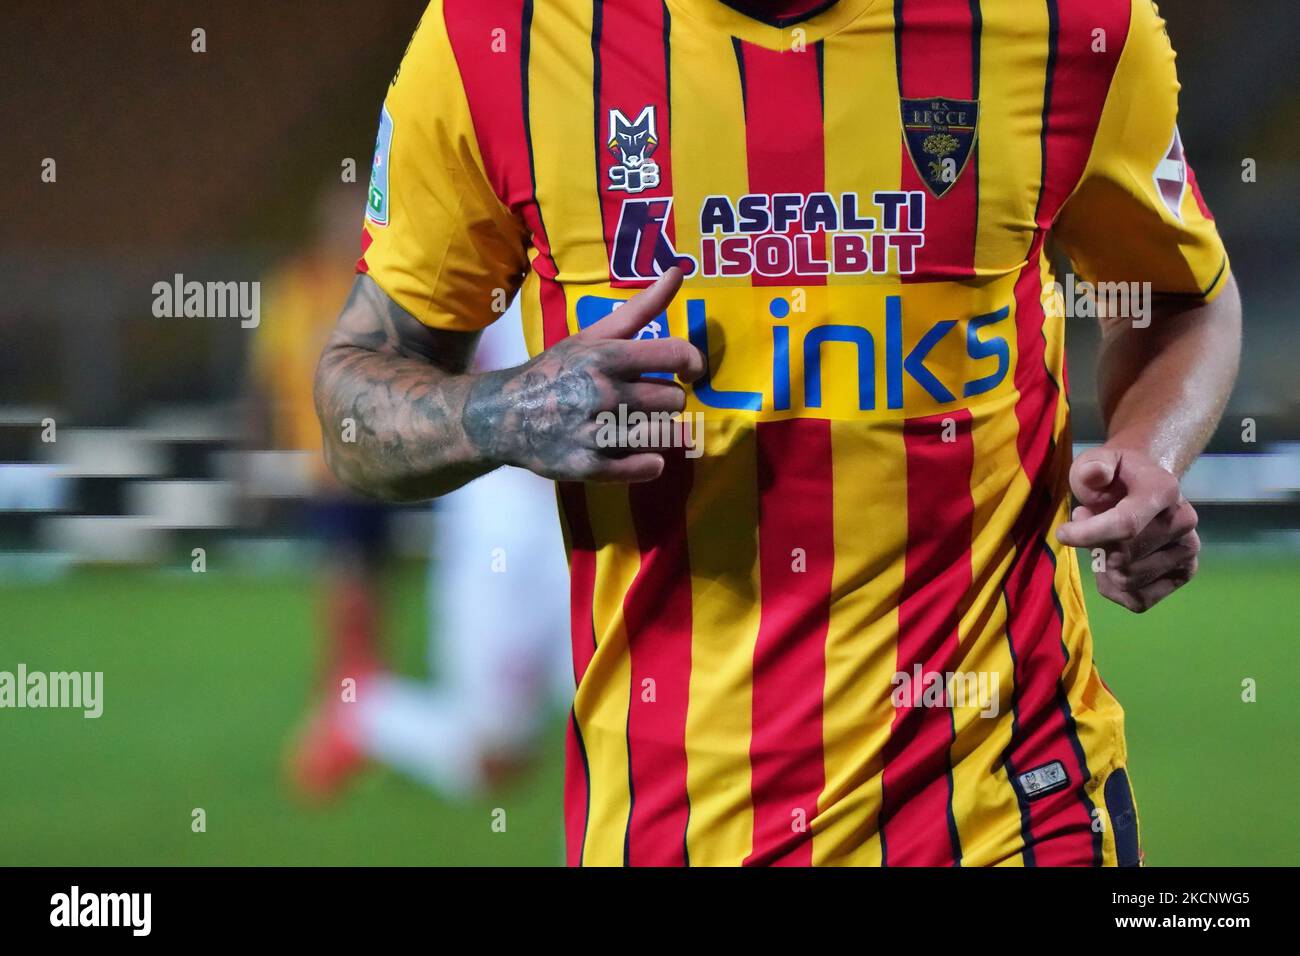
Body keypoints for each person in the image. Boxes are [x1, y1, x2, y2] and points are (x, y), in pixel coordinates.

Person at [314, 0, 1241, 866]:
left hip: (1010, 803)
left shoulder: (1063, 27)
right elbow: (352, 402)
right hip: (671, 824)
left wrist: (1150, 452)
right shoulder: (501, 39)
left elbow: (1181, 298)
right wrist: (498, 413)